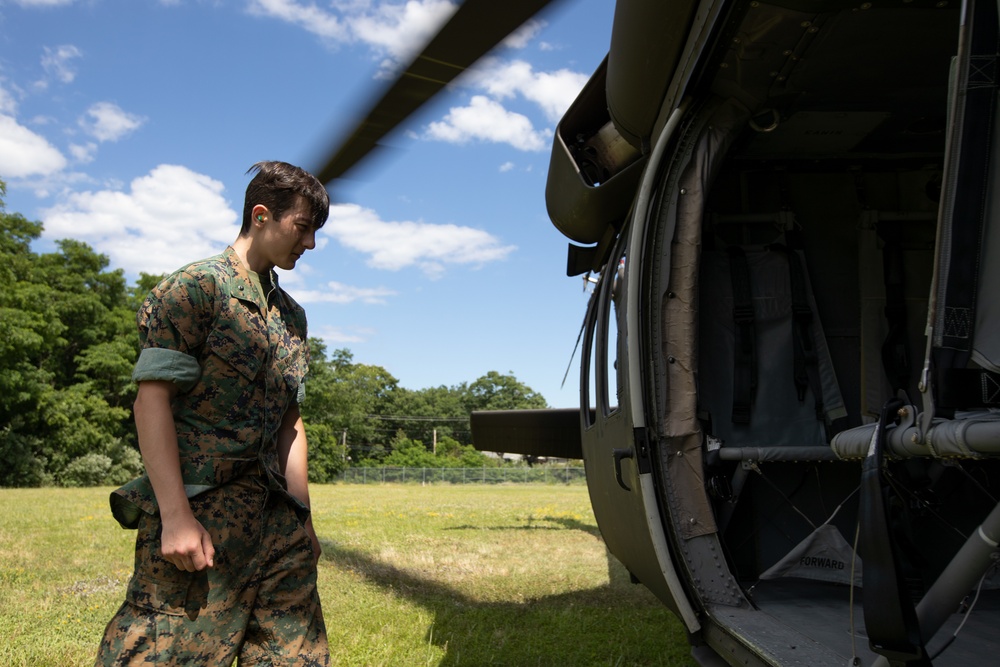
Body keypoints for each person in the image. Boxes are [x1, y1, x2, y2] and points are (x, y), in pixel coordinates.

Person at [96, 161, 331, 666]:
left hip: (277, 524)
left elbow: (290, 423)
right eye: (303, 227)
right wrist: (176, 517)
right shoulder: (194, 290)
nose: (310, 244)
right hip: (204, 519)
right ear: (261, 215)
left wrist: (303, 520)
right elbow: (150, 401)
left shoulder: (291, 316)